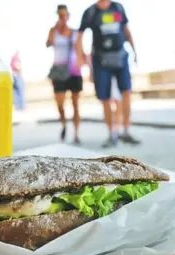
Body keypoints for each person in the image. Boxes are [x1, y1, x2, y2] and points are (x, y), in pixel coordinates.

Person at [75, 0, 140, 148]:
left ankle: (126, 130)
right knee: (104, 98)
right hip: (100, 59)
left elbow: (126, 29)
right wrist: (81, 56)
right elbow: (79, 36)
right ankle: (112, 134)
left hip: (120, 55)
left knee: (127, 92)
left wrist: (134, 50)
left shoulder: (118, 7)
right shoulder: (90, 12)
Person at [46, 5, 85, 144]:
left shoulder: (75, 32)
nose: (63, 17)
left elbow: (80, 50)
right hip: (58, 69)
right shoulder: (53, 31)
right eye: (60, 15)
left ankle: (76, 133)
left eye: (64, 15)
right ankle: (63, 124)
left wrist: (84, 63)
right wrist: (56, 27)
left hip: (74, 70)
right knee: (60, 104)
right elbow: (48, 43)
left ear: (68, 16)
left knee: (75, 104)